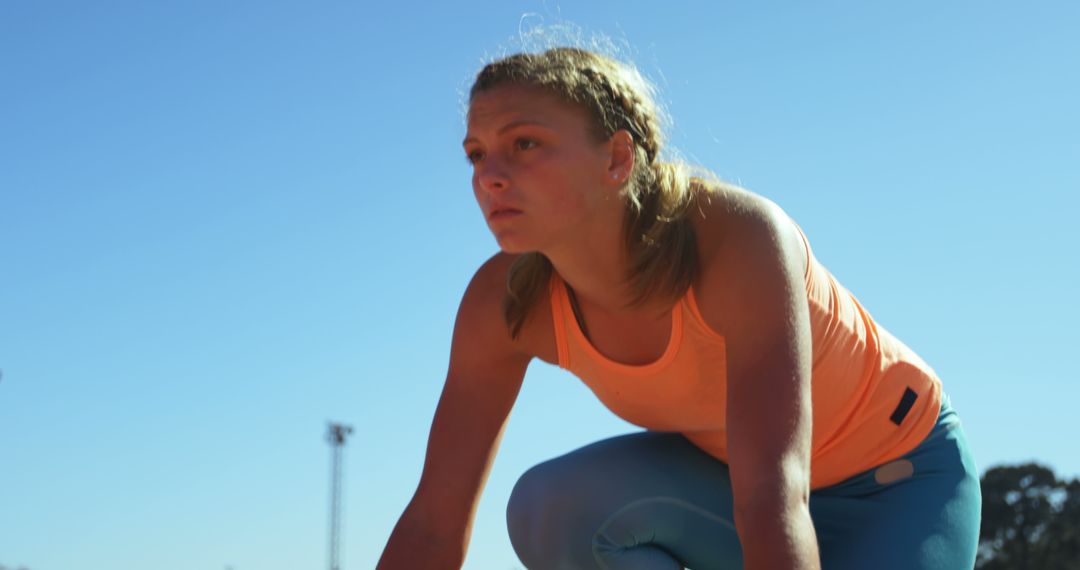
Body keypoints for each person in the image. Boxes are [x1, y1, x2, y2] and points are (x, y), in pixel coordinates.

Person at [377, 46, 981, 570]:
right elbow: (434, 522)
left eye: (525, 143)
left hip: (898, 487)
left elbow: (774, 493)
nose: (491, 176)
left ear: (618, 157)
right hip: (731, 499)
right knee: (551, 509)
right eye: (476, 154)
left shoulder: (737, 239)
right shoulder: (504, 302)